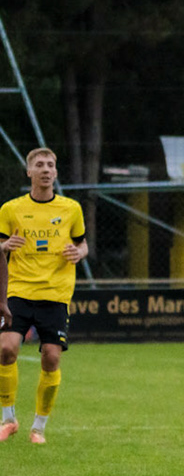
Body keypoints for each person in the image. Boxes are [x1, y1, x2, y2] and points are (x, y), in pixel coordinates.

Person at [0, 147, 88, 443]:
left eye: (51, 165)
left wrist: (79, 252)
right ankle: (8, 419)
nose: (46, 169)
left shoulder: (71, 209)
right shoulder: (10, 209)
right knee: (6, 349)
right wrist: (4, 246)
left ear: (56, 173)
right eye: (40, 165)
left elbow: (83, 244)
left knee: (51, 357)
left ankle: (38, 427)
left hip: (55, 293)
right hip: (19, 290)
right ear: (29, 172)